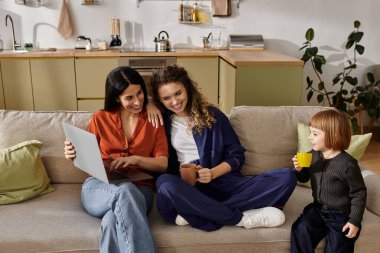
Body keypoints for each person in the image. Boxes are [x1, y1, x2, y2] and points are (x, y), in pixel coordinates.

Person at [149, 64, 297, 232]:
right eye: (166, 98)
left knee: (286, 177)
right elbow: (132, 104)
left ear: (187, 88)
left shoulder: (212, 115)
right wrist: (149, 103)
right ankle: (240, 218)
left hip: (223, 182)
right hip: (189, 187)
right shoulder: (161, 121)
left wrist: (213, 173)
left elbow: (236, 156)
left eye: (178, 93)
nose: (174, 101)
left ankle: (197, 212)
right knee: (165, 185)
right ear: (159, 100)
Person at [64, 66, 168, 253]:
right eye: (129, 98)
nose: (137, 101)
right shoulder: (100, 118)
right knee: (124, 191)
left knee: (111, 220)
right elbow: (86, 158)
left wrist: (137, 160)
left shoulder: (153, 118)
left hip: (140, 190)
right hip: (98, 188)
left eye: (140, 93)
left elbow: (162, 163)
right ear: (116, 98)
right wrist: (73, 153)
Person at [291, 109, 367, 253]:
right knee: (300, 230)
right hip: (317, 209)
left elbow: (359, 193)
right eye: (310, 132)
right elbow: (304, 178)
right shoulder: (313, 155)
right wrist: (299, 170)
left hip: (341, 214)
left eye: (315, 134)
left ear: (334, 135)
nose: (309, 137)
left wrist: (354, 221)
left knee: (338, 247)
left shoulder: (347, 164)